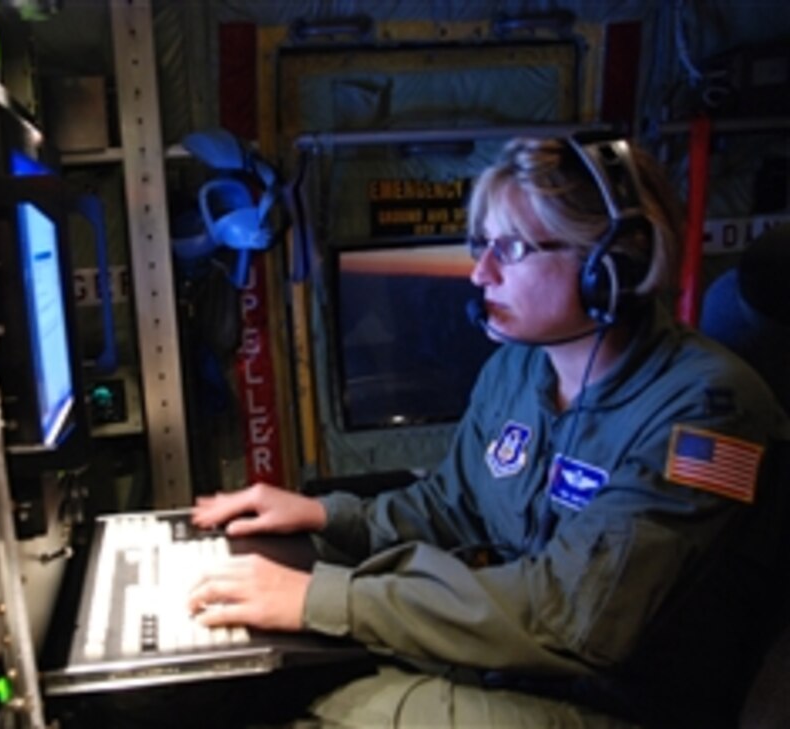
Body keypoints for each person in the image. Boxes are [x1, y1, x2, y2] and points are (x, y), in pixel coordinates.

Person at [188, 136, 790, 728]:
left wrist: (320, 600)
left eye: (510, 248)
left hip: (622, 699)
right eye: (481, 245)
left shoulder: (709, 411)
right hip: (523, 669)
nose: (480, 273)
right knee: (257, 680)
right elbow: (452, 507)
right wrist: (327, 519)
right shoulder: (519, 367)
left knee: (321, 706)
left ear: (609, 265)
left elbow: (573, 616)